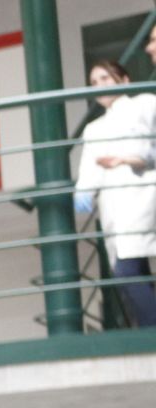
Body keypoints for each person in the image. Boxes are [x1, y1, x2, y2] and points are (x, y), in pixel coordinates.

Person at [74, 59, 156, 328]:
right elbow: (89, 169)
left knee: (126, 268)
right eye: (94, 82)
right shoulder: (93, 128)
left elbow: (147, 146)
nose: (100, 86)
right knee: (134, 265)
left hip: (144, 192)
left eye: (105, 78)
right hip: (113, 205)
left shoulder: (144, 103)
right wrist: (83, 192)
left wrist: (127, 158)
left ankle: (150, 329)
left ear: (124, 80)